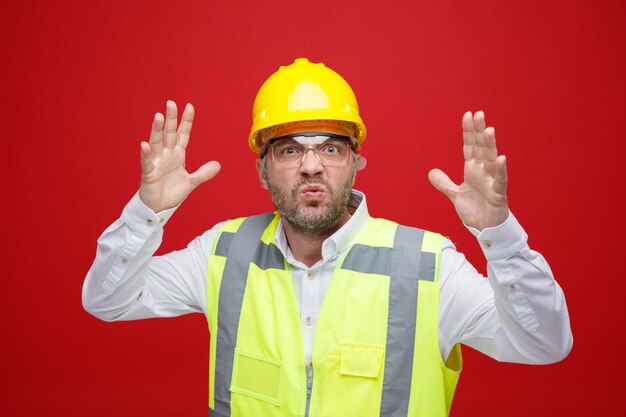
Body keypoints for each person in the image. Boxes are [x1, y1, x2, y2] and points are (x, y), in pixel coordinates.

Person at [82, 58, 572, 417]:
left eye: (331, 148)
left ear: (356, 163)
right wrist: (148, 213)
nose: (312, 165)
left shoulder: (428, 266)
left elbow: (544, 343)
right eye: (291, 149)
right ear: (263, 168)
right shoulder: (222, 253)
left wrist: (499, 236)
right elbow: (106, 301)